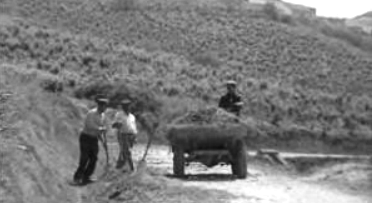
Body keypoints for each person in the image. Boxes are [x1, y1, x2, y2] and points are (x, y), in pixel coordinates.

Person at [73, 96, 109, 185]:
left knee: (94, 158)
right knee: (84, 158)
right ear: (100, 105)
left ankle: (87, 177)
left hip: (94, 139)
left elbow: (100, 130)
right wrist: (101, 129)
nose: (105, 108)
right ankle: (77, 177)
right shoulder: (91, 113)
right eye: (103, 106)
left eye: (105, 106)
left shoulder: (103, 116)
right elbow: (90, 125)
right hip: (86, 137)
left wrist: (103, 141)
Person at [112, 99, 138, 172]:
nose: (127, 107)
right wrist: (117, 124)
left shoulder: (132, 116)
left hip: (131, 136)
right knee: (127, 152)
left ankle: (118, 168)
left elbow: (134, 127)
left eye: (128, 106)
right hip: (123, 135)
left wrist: (135, 136)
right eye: (125, 106)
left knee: (123, 153)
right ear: (123, 107)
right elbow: (113, 125)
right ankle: (132, 169)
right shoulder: (119, 114)